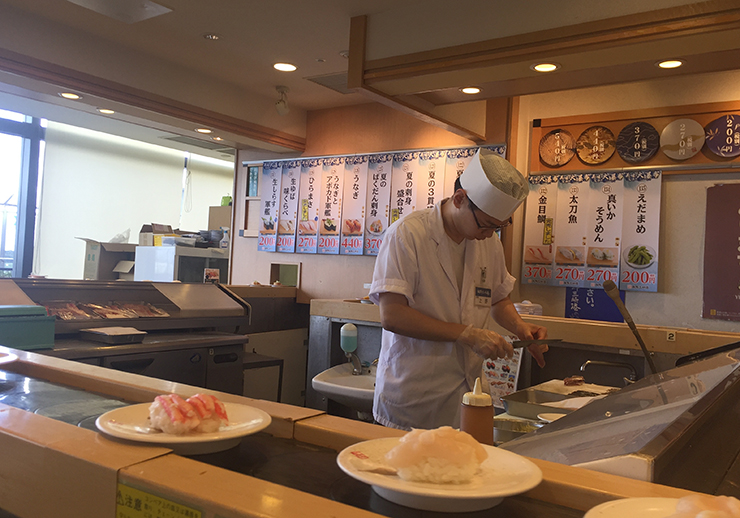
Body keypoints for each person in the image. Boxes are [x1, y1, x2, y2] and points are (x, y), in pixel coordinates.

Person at [368, 148, 548, 431]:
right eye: (487, 224)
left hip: (468, 394)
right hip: (415, 396)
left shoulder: (487, 241)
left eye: (499, 227)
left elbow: (498, 299)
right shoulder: (408, 234)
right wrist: (467, 334)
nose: (490, 234)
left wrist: (520, 327)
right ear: (460, 199)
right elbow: (392, 316)